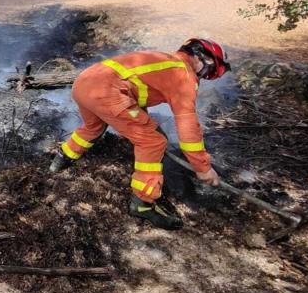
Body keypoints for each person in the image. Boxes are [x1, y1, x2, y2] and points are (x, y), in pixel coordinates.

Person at [50, 38, 231, 230]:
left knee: (93, 127)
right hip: (107, 92)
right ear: (207, 60)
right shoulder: (184, 75)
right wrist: (202, 168)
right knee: (153, 141)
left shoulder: (163, 59)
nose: (205, 77)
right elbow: (188, 128)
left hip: (84, 83)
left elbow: (134, 89)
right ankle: (143, 204)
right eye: (210, 72)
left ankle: (60, 161)